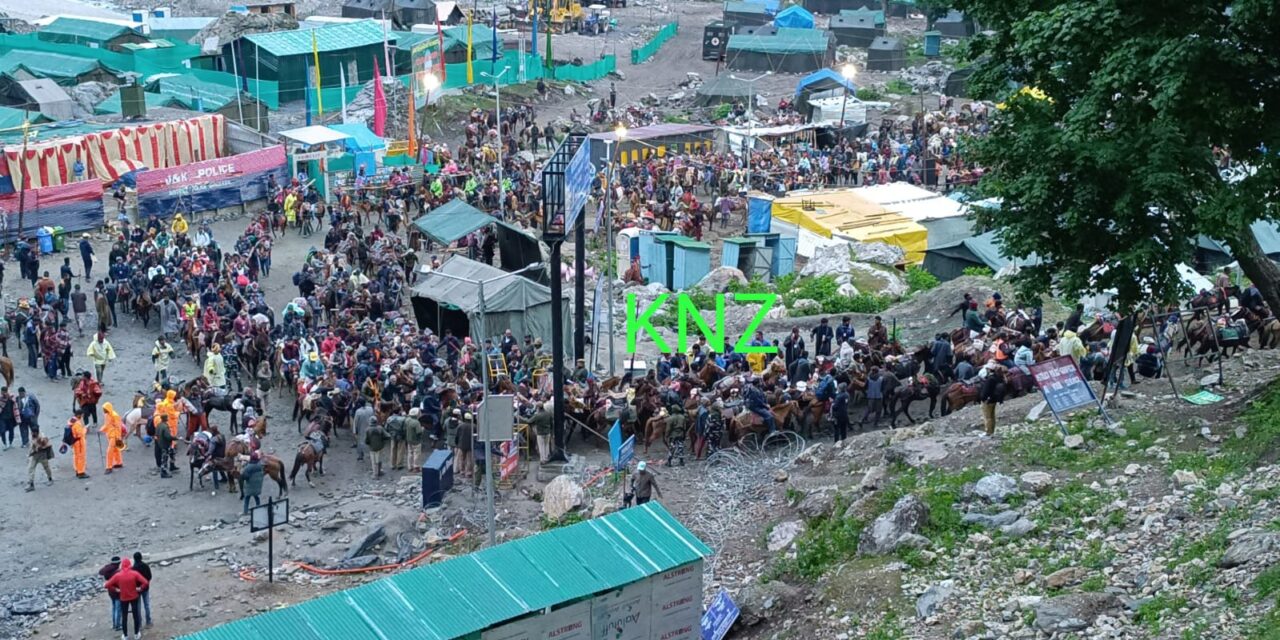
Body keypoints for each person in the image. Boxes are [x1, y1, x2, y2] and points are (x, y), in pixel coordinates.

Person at [104, 556, 148, 640]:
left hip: (123, 598)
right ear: (129, 565)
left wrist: (116, 589)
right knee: (135, 615)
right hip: (134, 596)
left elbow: (107, 585)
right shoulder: (134, 573)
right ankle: (136, 633)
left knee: (124, 617)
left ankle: (125, 635)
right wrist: (140, 588)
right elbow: (145, 582)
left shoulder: (118, 575)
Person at [979, 365, 1007, 437]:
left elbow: (986, 391)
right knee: (992, 416)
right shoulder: (999, 378)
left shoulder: (990, 379)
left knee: (987, 416)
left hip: (987, 401)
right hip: (994, 400)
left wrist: (982, 398)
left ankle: (988, 432)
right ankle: (992, 431)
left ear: (989, 370)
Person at [100, 402, 125, 473]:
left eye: (104, 409)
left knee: (109, 451)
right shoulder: (107, 415)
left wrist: (118, 437)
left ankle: (109, 467)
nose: (103, 410)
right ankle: (119, 462)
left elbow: (118, 427)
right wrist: (101, 430)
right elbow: (107, 425)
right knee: (116, 449)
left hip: (114, 436)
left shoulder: (115, 416)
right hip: (110, 434)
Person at [100, 556, 122, 632]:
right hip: (117, 592)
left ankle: (114, 623)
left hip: (110, 592)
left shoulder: (107, 570)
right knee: (118, 609)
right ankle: (118, 625)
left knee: (113, 608)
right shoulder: (116, 572)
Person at [131, 552, 153, 628]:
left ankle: (139, 623)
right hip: (145, 588)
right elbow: (149, 577)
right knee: (147, 605)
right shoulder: (145, 566)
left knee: (138, 607)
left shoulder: (133, 569)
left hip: (137, 590)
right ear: (141, 558)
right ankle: (148, 621)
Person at [69, 412, 89, 478]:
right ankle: (81, 472)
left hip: (74, 442)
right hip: (79, 442)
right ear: (79, 415)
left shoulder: (71, 421)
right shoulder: (77, 424)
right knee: (81, 457)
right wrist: (85, 429)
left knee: (76, 456)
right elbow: (81, 433)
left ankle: (77, 470)